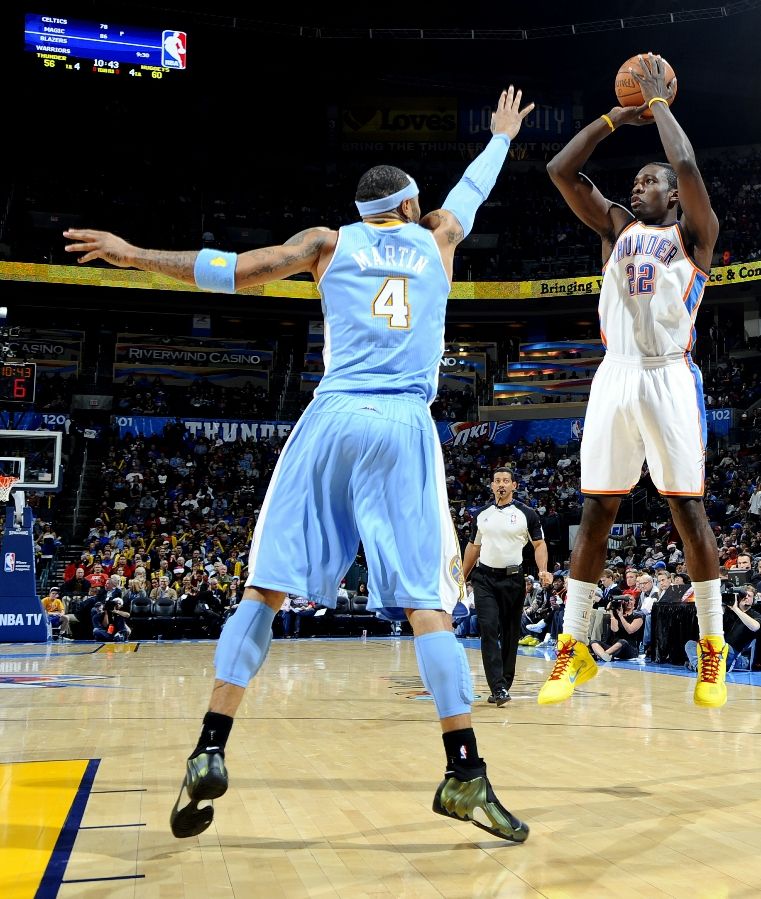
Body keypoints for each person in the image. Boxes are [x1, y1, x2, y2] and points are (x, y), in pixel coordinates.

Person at [64, 86, 535, 844]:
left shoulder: (326, 242)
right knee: (425, 604)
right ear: (411, 210)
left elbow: (233, 269)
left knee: (265, 589)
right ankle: (462, 771)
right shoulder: (439, 237)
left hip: (329, 421)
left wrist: (134, 255)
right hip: (402, 427)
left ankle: (211, 744)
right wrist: (502, 137)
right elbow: (471, 191)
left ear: (364, 213)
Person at [537, 54, 726, 709]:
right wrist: (612, 119)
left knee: (685, 509)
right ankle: (572, 646)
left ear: (670, 196)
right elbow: (559, 170)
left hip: (669, 375)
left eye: (651, 181)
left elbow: (689, 166)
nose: (640, 185)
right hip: (614, 375)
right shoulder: (615, 226)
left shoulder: (695, 237)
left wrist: (660, 107)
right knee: (596, 511)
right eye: (637, 180)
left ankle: (711, 646)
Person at [461, 467, 551, 706]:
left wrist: (542, 570)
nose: (501, 484)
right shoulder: (482, 514)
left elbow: (539, 544)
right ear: (492, 486)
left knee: (511, 633)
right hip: (484, 579)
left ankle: (504, 683)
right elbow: (473, 547)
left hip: (513, 580)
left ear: (514, 486)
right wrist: (461, 577)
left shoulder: (527, 514)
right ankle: (498, 687)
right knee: (488, 628)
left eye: (506, 481)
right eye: (497, 481)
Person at [685, 588, 760, 672]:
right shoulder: (728, 613)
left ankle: (698, 665)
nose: (745, 597)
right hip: (716, 649)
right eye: (743, 595)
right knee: (690, 644)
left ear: (754, 600)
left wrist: (736, 609)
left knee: (725, 648)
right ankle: (700, 667)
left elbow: (755, 627)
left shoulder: (755, 615)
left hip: (734, 654)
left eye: (749, 596)